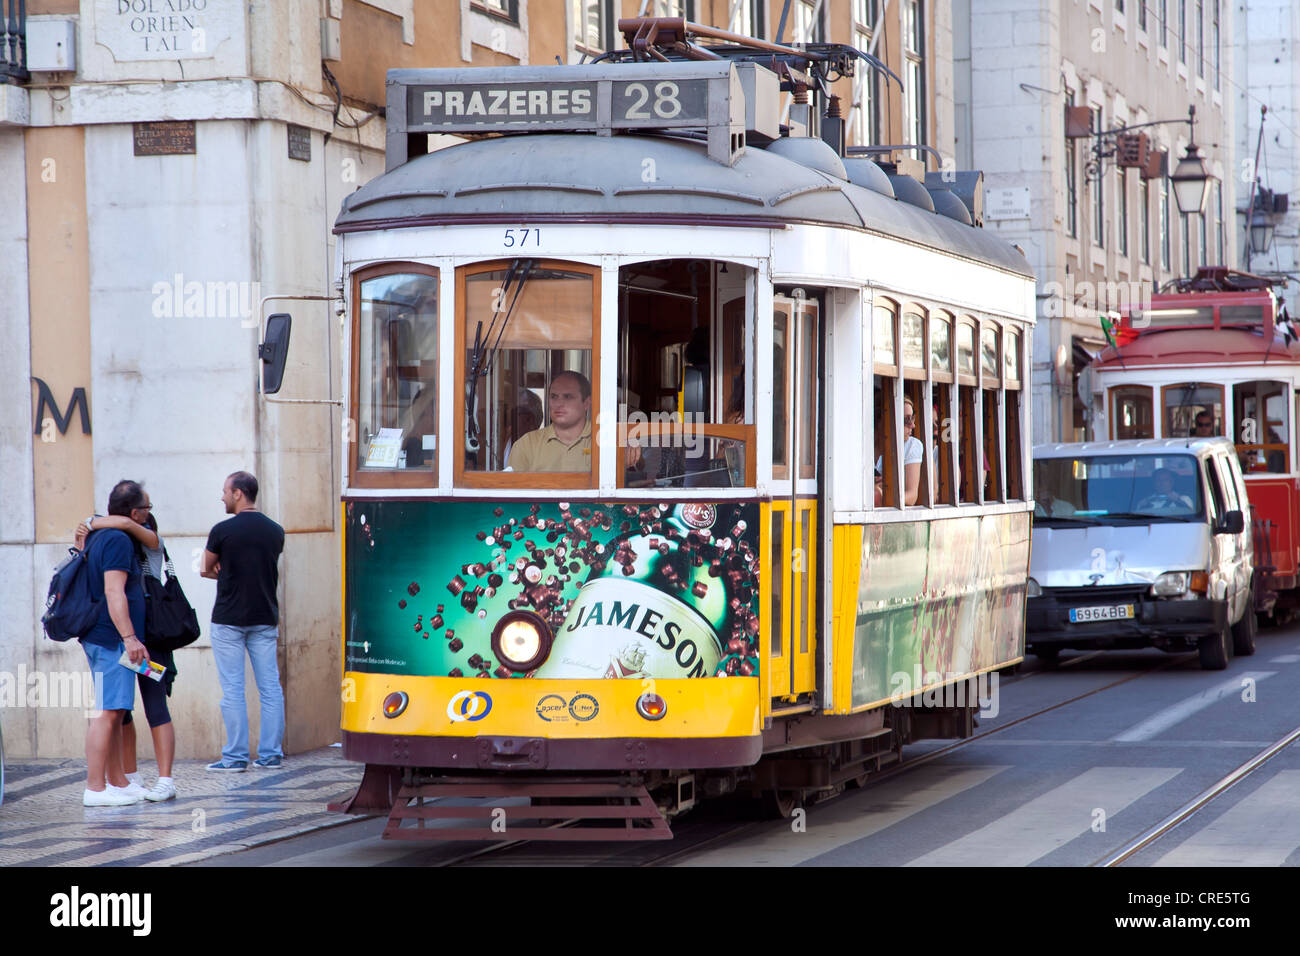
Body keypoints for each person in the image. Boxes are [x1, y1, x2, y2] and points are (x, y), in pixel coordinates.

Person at [75, 501, 177, 802]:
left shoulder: (148, 540)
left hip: (153, 640)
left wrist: (92, 521)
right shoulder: (115, 544)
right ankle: (125, 776)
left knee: (154, 705)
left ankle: (165, 779)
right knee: (121, 711)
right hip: (128, 639)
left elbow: (135, 528)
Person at [201, 471, 286, 772]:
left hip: (228, 619)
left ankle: (235, 758)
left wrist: (221, 571)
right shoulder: (276, 530)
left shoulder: (222, 530)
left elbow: (205, 569)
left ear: (238, 493)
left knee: (234, 690)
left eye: (225, 491)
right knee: (270, 688)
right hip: (265, 617)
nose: (222, 496)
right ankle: (271, 754)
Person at [78, 480, 151, 806]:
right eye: (147, 509)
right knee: (107, 713)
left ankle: (117, 782)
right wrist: (130, 637)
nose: (149, 514)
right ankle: (95, 788)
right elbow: (113, 591)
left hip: (100, 635)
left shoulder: (98, 536)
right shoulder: (119, 540)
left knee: (115, 711)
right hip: (111, 638)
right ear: (134, 512)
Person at [507, 371, 642, 473]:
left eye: (568, 397)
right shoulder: (526, 445)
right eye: (554, 397)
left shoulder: (609, 441)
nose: (559, 404)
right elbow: (512, 496)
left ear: (586, 403)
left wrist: (632, 451)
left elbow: (642, 474)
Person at [875, 397, 924, 506]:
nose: (913, 425)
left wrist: (880, 493)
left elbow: (911, 496)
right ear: (886, 419)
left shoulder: (911, 446)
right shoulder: (863, 444)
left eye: (913, 418)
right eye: (907, 420)